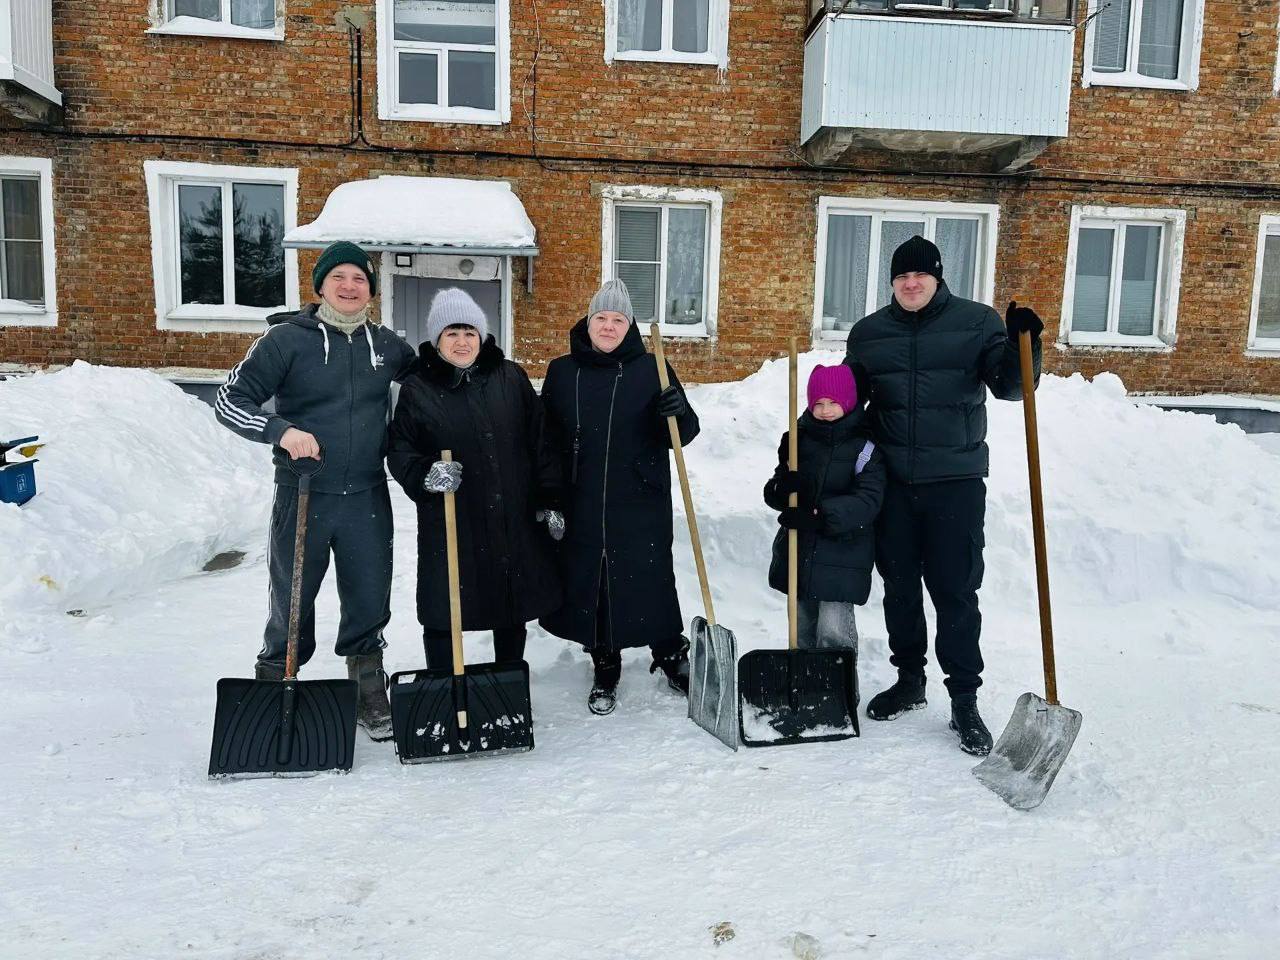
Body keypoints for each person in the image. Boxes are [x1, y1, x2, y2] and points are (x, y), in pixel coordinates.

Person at [844, 234, 1043, 756]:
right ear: (892, 281)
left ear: (937, 277)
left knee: (956, 591)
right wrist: (810, 447)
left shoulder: (977, 322)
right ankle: (910, 680)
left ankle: (964, 699)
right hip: (892, 483)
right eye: (902, 276)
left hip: (955, 483)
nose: (911, 284)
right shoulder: (868, 334)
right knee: (900, 588)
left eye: (921, 275)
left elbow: (1012, 387)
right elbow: (847, 405)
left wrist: (1025, 344)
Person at [214, 240, 416, 741]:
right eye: (338, 277)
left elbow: (434, 391)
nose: (349, 287)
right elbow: (230, 399)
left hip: (367, 495)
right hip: (303, 492)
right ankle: (275, 679)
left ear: (371, 290)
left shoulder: (389, 348)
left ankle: (367, 682)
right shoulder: (286, 340)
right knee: (292, 594)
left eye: (360, 279)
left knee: (370, 594)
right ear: (321, 285)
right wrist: (280, 431)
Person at [539, 279, 700, 716]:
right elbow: (546, 438)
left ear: (629, 327)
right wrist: (548, 494)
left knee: (650, 576)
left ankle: (670, 653)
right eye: (601, 318)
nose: (608, 326)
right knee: (594, 580)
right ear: (588, 321)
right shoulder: (563, 371)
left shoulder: (653, 368)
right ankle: (605, 662)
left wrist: (677, 411)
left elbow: (684, 433)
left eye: (617, 319)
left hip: (640, 496)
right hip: (582, 495)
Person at [386, 288, 563, 672]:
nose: (462, 341)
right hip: (452, 519)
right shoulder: (418, 388)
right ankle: (443, 684)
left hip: (510, 513)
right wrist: (425, 474)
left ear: (482, 337)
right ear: (437, 339)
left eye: (469, 332)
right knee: (444, 605)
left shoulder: (510, 377)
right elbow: (400, 450)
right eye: (452, 333)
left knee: (509, 601)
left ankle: (506, 680)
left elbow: (541, 440)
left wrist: (550, 497)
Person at [762, 363, 885, 672]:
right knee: (801, 628)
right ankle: (804, 686)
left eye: (833, 402)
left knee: (833, 631)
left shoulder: (865, 448)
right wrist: (782, 488)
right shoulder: (797, 442)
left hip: (843, 556)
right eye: (818, 403)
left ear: (849, 402)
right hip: (799, 550)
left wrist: (820, 515)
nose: (826, 410)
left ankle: (837, 688)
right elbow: (774, 492)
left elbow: (868, 500)